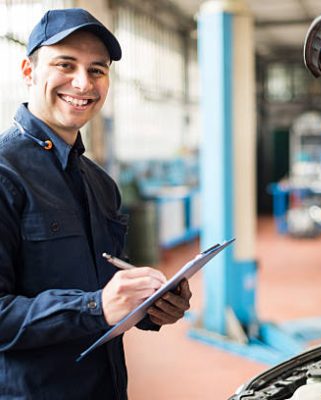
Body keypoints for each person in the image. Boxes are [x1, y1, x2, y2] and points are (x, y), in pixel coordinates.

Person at [0, 8, 192, 400]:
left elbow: (104, 288)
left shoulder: (100, 183)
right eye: (65, 65)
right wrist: (94, 306)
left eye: (97, 70)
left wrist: (151, 307)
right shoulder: (5, 175)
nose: (83, 83)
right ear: (28, 71)